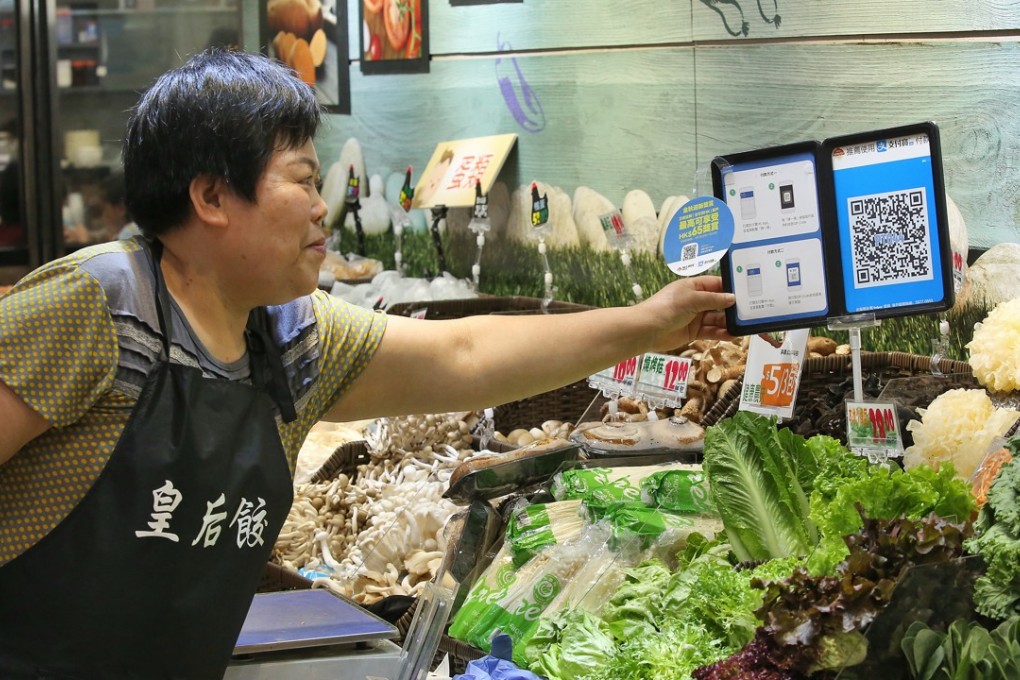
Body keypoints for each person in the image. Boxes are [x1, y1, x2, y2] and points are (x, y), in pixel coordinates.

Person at [0, 48, 734, 679]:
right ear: (211, 196)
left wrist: (647, 323)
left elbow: (465, 352)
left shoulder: (290, 337)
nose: (323, 208)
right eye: (300, 178)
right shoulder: (97, 308)